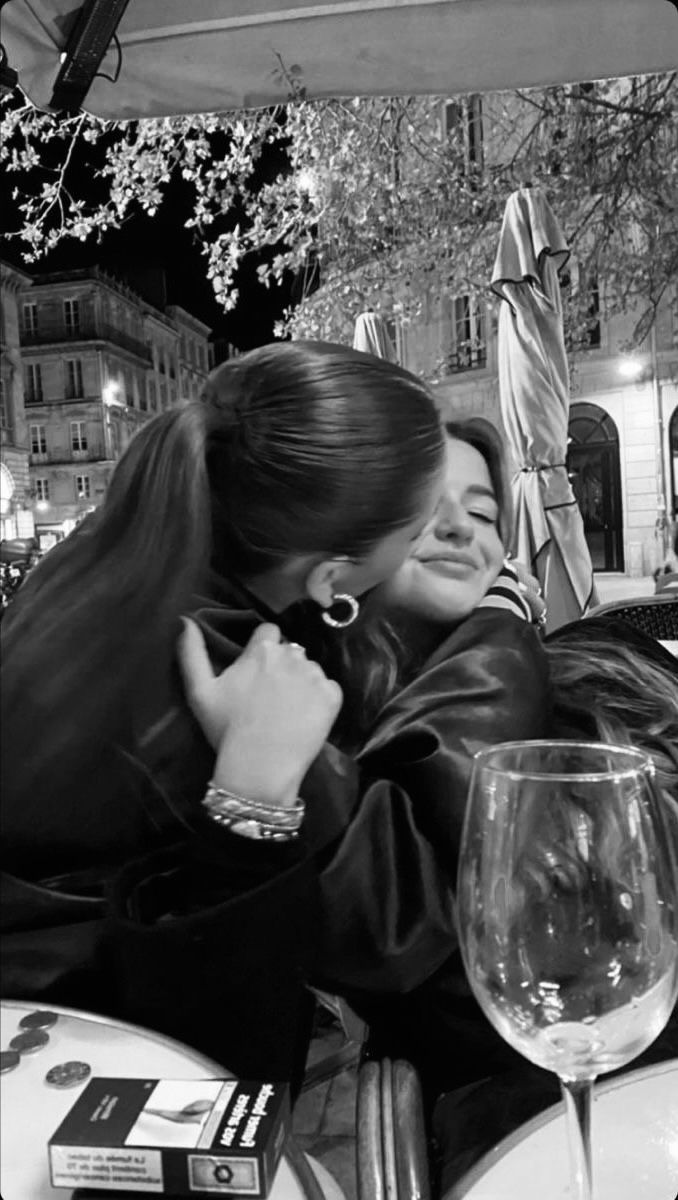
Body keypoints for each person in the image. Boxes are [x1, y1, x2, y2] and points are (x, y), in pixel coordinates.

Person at [1, 340, 445, 1086]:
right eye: (420, 527)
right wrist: (500, 621)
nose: (432, 542)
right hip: (73, 1086)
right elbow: (403, 930)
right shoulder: (226, 667)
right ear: (334, 574)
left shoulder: (114, 564)